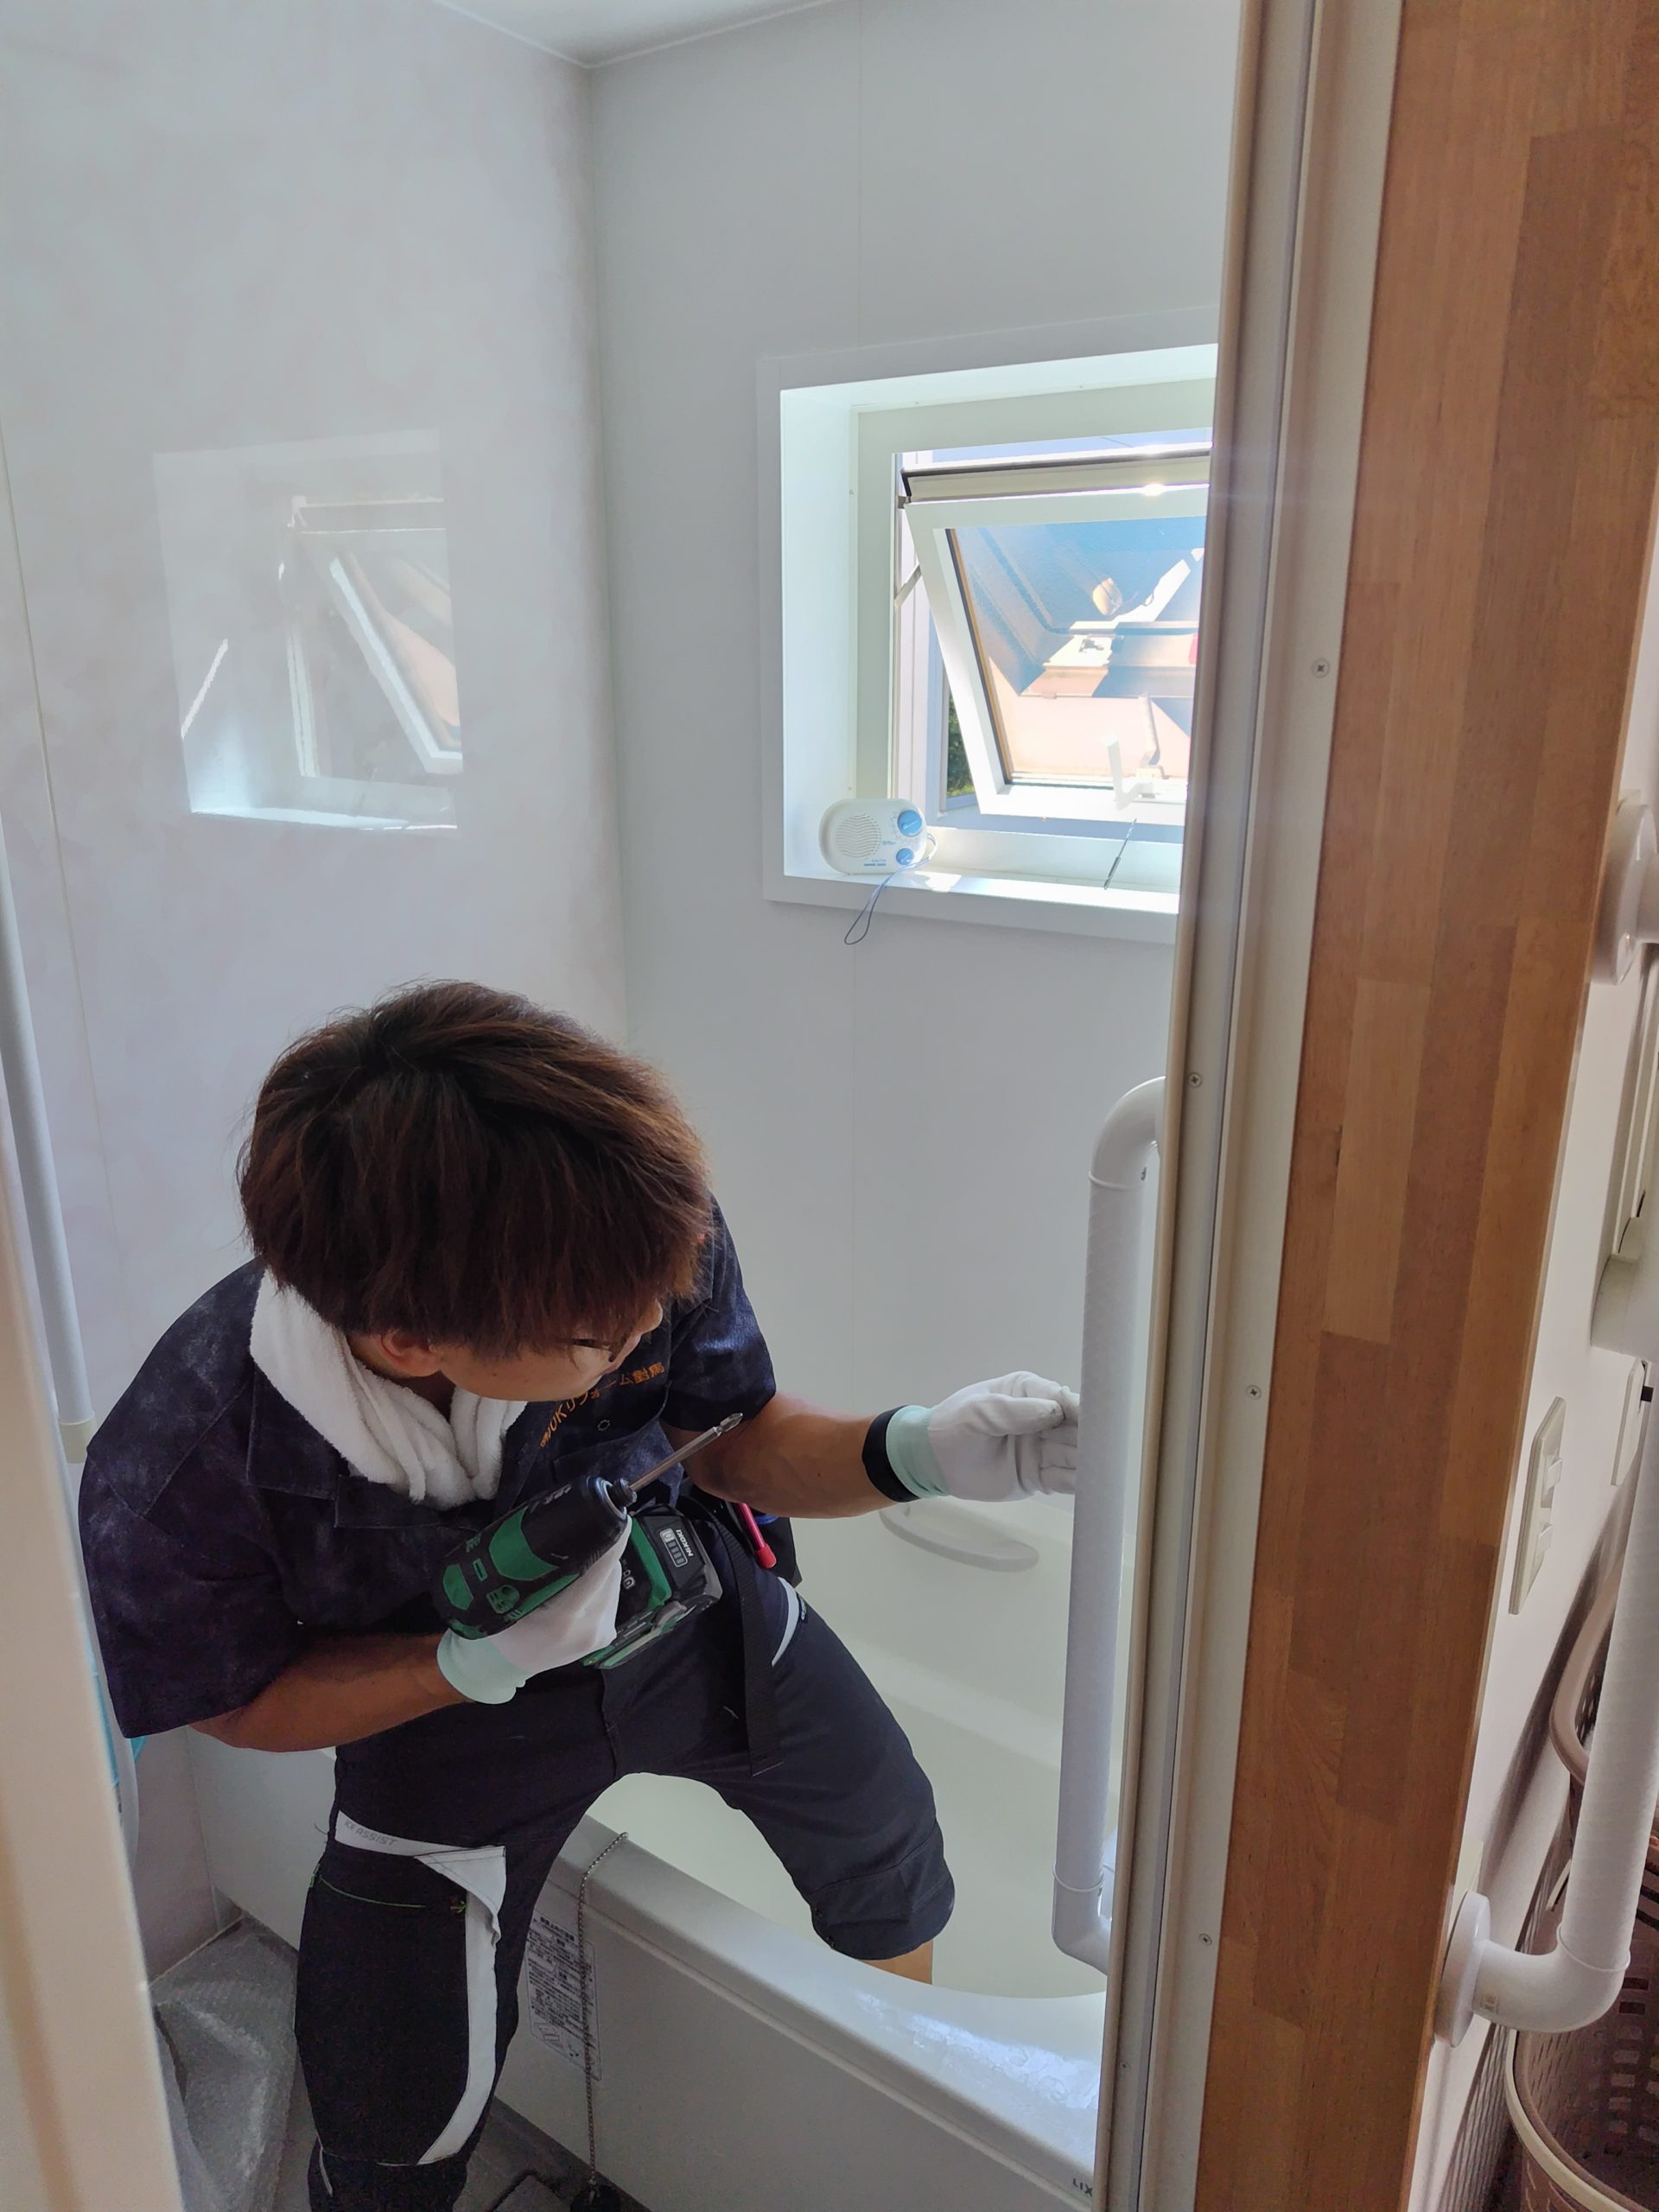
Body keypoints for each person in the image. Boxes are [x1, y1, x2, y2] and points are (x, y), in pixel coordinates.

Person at [78, 982, 1079, 2212]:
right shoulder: (187, 1459)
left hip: (680, 1608)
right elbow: (235, 1704)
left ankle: (891, 2111)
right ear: (409, 1340)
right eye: (606, 1335)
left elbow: (729, 1435)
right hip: (435, 1716)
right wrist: (466, 1666)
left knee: (886, 1833)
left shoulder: (633, 1236)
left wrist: (912, 1452)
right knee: (391, 2097)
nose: (655, 1321)